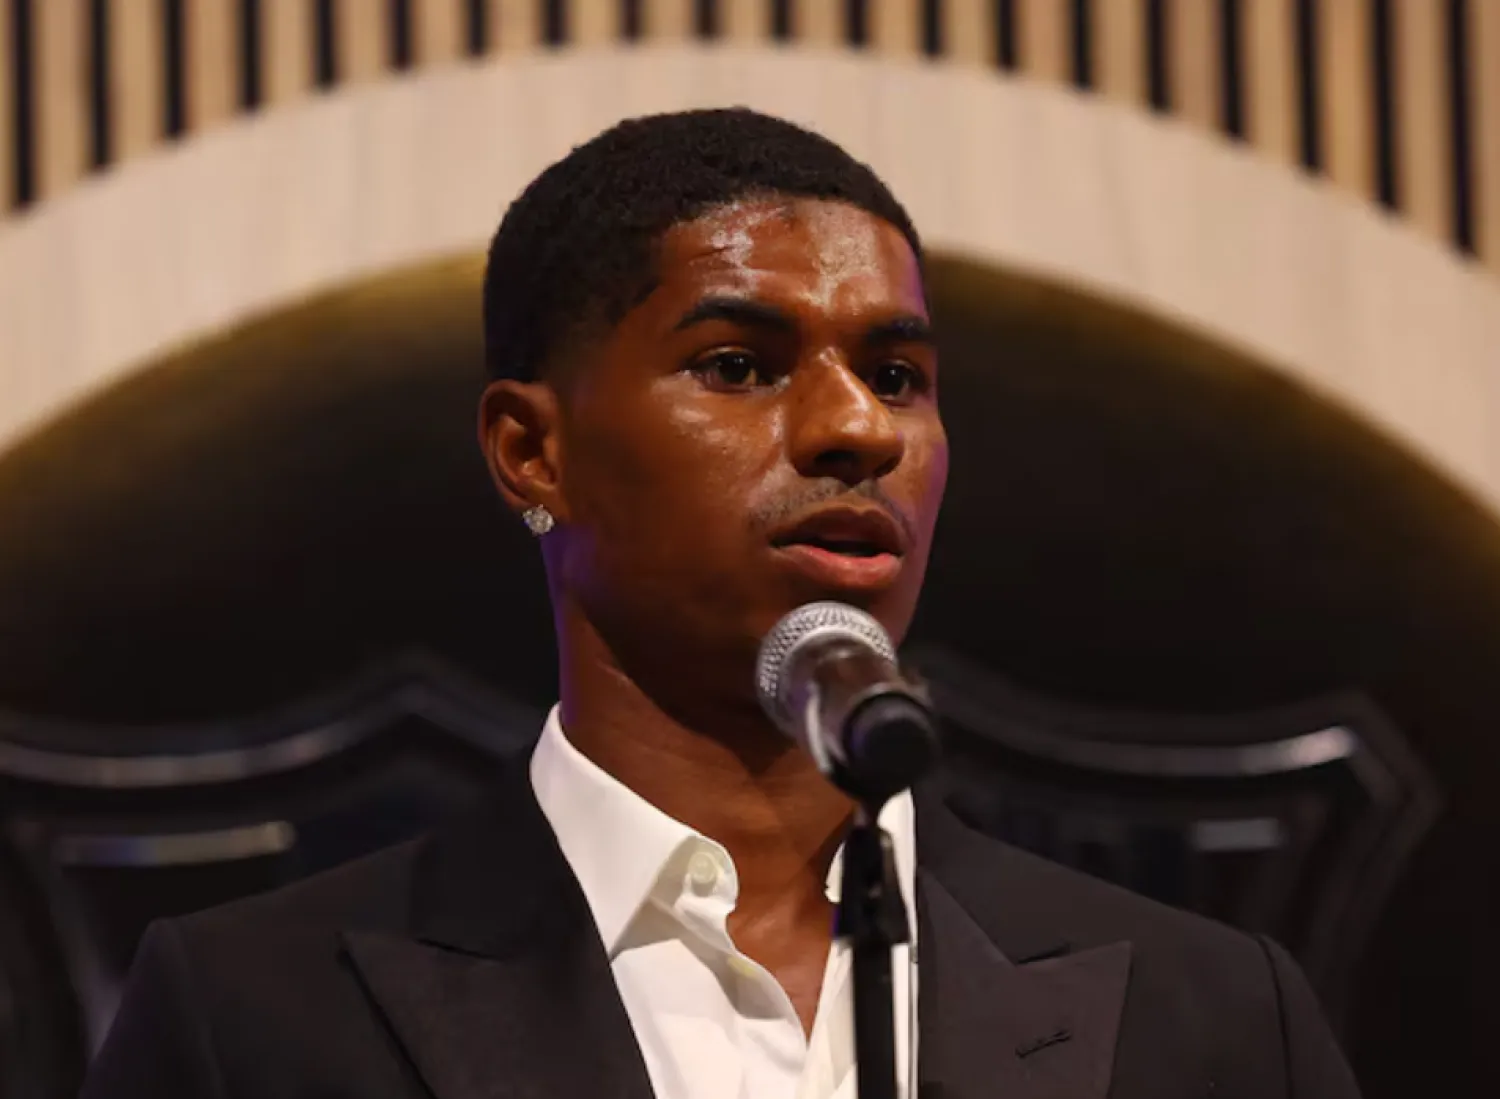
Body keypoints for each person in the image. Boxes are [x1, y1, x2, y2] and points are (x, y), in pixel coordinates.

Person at [80, 108, 1361, 1099]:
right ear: (533, 450)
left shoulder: (1218, 1017)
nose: (858, 428)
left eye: (897, 375)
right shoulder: (254, 1016)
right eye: (739, 364)